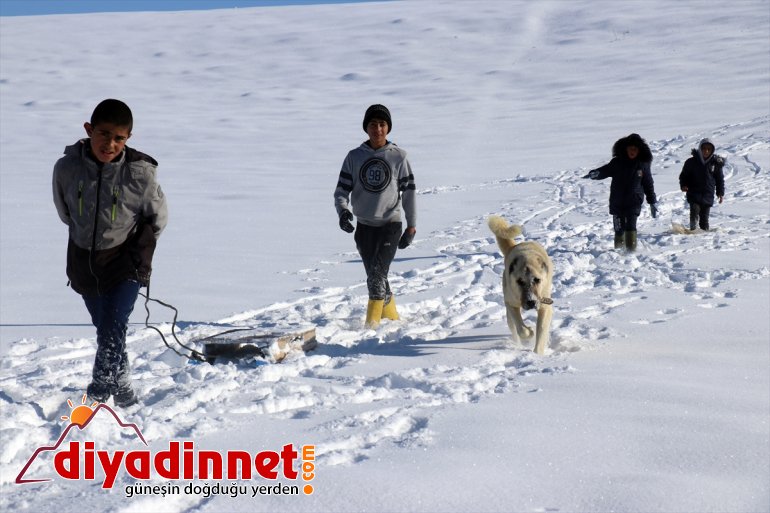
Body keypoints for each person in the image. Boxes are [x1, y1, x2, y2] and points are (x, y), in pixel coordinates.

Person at [53, 99, 168, 407]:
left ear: (128, 138)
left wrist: (136, 247)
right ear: (89, 130)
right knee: (106, 329)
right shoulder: (67, 168)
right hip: (85, 261)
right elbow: (66, 213)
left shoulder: (139, 173)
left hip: (125, 260)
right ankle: (125, 386)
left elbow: (158, 218)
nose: (110, 143)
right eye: (104, 134)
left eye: (119, 138)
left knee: (114, 325)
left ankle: (99, 393)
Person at [334, 104, 417, 329]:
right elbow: (341, 191)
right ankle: (392, 318)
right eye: (373, 124)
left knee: (376, 277)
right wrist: (343, 212)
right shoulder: (354, 157)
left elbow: (409, 193)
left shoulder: (399, 157)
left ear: (388, 128)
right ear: (366, 128)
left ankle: (370, 328)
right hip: (364, 228)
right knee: (376, 275)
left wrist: (412, 226)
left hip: (391, 224)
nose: (378, 129)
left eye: (382, 124)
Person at [583, 133, 658, 251]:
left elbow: (648, 184)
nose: (632, 151)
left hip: (634, 201)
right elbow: (605, 170)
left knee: (631, 226)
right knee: (619, 229)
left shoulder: (642, 165)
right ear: (625, 149)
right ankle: (618, 253)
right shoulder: (617, 163)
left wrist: (652, 201)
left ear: (639, 150)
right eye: (630, 149)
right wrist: (596, 173)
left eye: (635, 149)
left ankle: (631, 252)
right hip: (617, 202)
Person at [679, 138, 725, 231]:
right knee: (694, 213)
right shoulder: (691, 162)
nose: (706, 151)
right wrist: (684, 185)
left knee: (704, 219)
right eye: (704, 149)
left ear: (712, 150)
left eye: (709, 149)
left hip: (708, 195)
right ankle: (693, 230)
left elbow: (719, 179)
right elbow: (684, 176)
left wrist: (720, 193)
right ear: (700, 148)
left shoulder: (715, 163)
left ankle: (704, 235)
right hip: (694, 193)